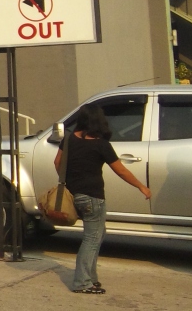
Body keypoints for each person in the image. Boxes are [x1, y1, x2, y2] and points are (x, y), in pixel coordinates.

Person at [54, 103, 151, 294]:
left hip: (75, 195)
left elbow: (57, 162)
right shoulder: (101, 144)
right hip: (93, 197)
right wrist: (141, 186)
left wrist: (70, 181)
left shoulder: (69, 139)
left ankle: (91, 277)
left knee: (98, 234)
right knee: (92, 238)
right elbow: (121, 171)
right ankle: (82, 282)